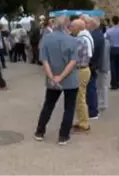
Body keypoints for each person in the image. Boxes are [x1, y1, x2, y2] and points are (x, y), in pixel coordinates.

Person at [34, 16, 79, 145]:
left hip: (52, 78)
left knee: (48, 105)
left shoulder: (46, 39)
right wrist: (62, 76)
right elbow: (73, 62)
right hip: (70, 79)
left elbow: (44, 60)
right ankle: (63, 136)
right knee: (69, 107)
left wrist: (52, 77)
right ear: (67, 26)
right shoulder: (72, 40)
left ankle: (40, 132)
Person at [70, 19, 91, 133]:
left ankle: (84, 123)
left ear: (78, 28)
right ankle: (81, 120)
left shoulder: (79, 40)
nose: (71, 28)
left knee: (80, 97)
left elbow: (72, 56)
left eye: (72, 26)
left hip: (80, 70)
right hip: (83, 70)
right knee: (79, 97)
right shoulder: (82, 39)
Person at [106, 15, 119, 90]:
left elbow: (105, 38)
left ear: (112, 21)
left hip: (112, 48)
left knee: (113, 67)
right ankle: (118, 82)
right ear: (118, 21)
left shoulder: (109, 31)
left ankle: (113, 83)